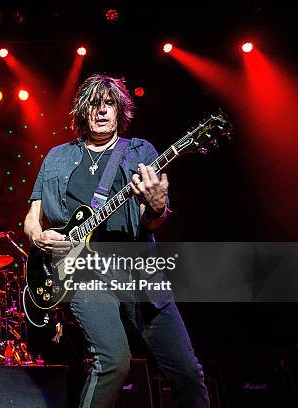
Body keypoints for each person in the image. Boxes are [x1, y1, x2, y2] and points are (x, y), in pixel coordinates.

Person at [24, 74, 209, 407]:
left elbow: (153, 219)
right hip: (85, 274)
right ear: (83, 110)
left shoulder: (140, 151)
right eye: (94, 104)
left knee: (187, 372)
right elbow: (32, 217)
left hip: (139, 272)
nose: (101, 111)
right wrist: (40, 238)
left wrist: (155, 205)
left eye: (109, 103)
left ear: (120, 110)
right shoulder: (57, 157)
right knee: (113, 362)